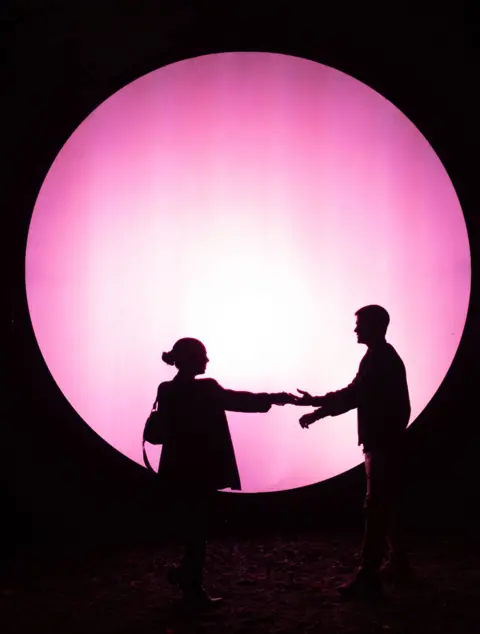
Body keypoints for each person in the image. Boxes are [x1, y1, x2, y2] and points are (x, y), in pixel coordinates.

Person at [143, 337, 297, 606]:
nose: (207, 360)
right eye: (202, 355)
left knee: (195, 527)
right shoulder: (207, 388)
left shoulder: (166, 389)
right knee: (199, 528)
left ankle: (187, 577)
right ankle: (191, 584)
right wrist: (275, 398)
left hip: (176, 467)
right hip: (200, 468)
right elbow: (239, 401)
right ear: (191, 358)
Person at [296, 305, 411, 600]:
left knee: (375, 507)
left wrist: (316, 407)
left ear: (374, 326)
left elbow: (353, 395)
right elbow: (358, 395)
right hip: (387, 441)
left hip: (381, 442)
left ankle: (368, 574)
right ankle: (398, 564)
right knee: (390, 504)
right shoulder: (382, 357)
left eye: (360, 324)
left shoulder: (377, 359)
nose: (355, 330)